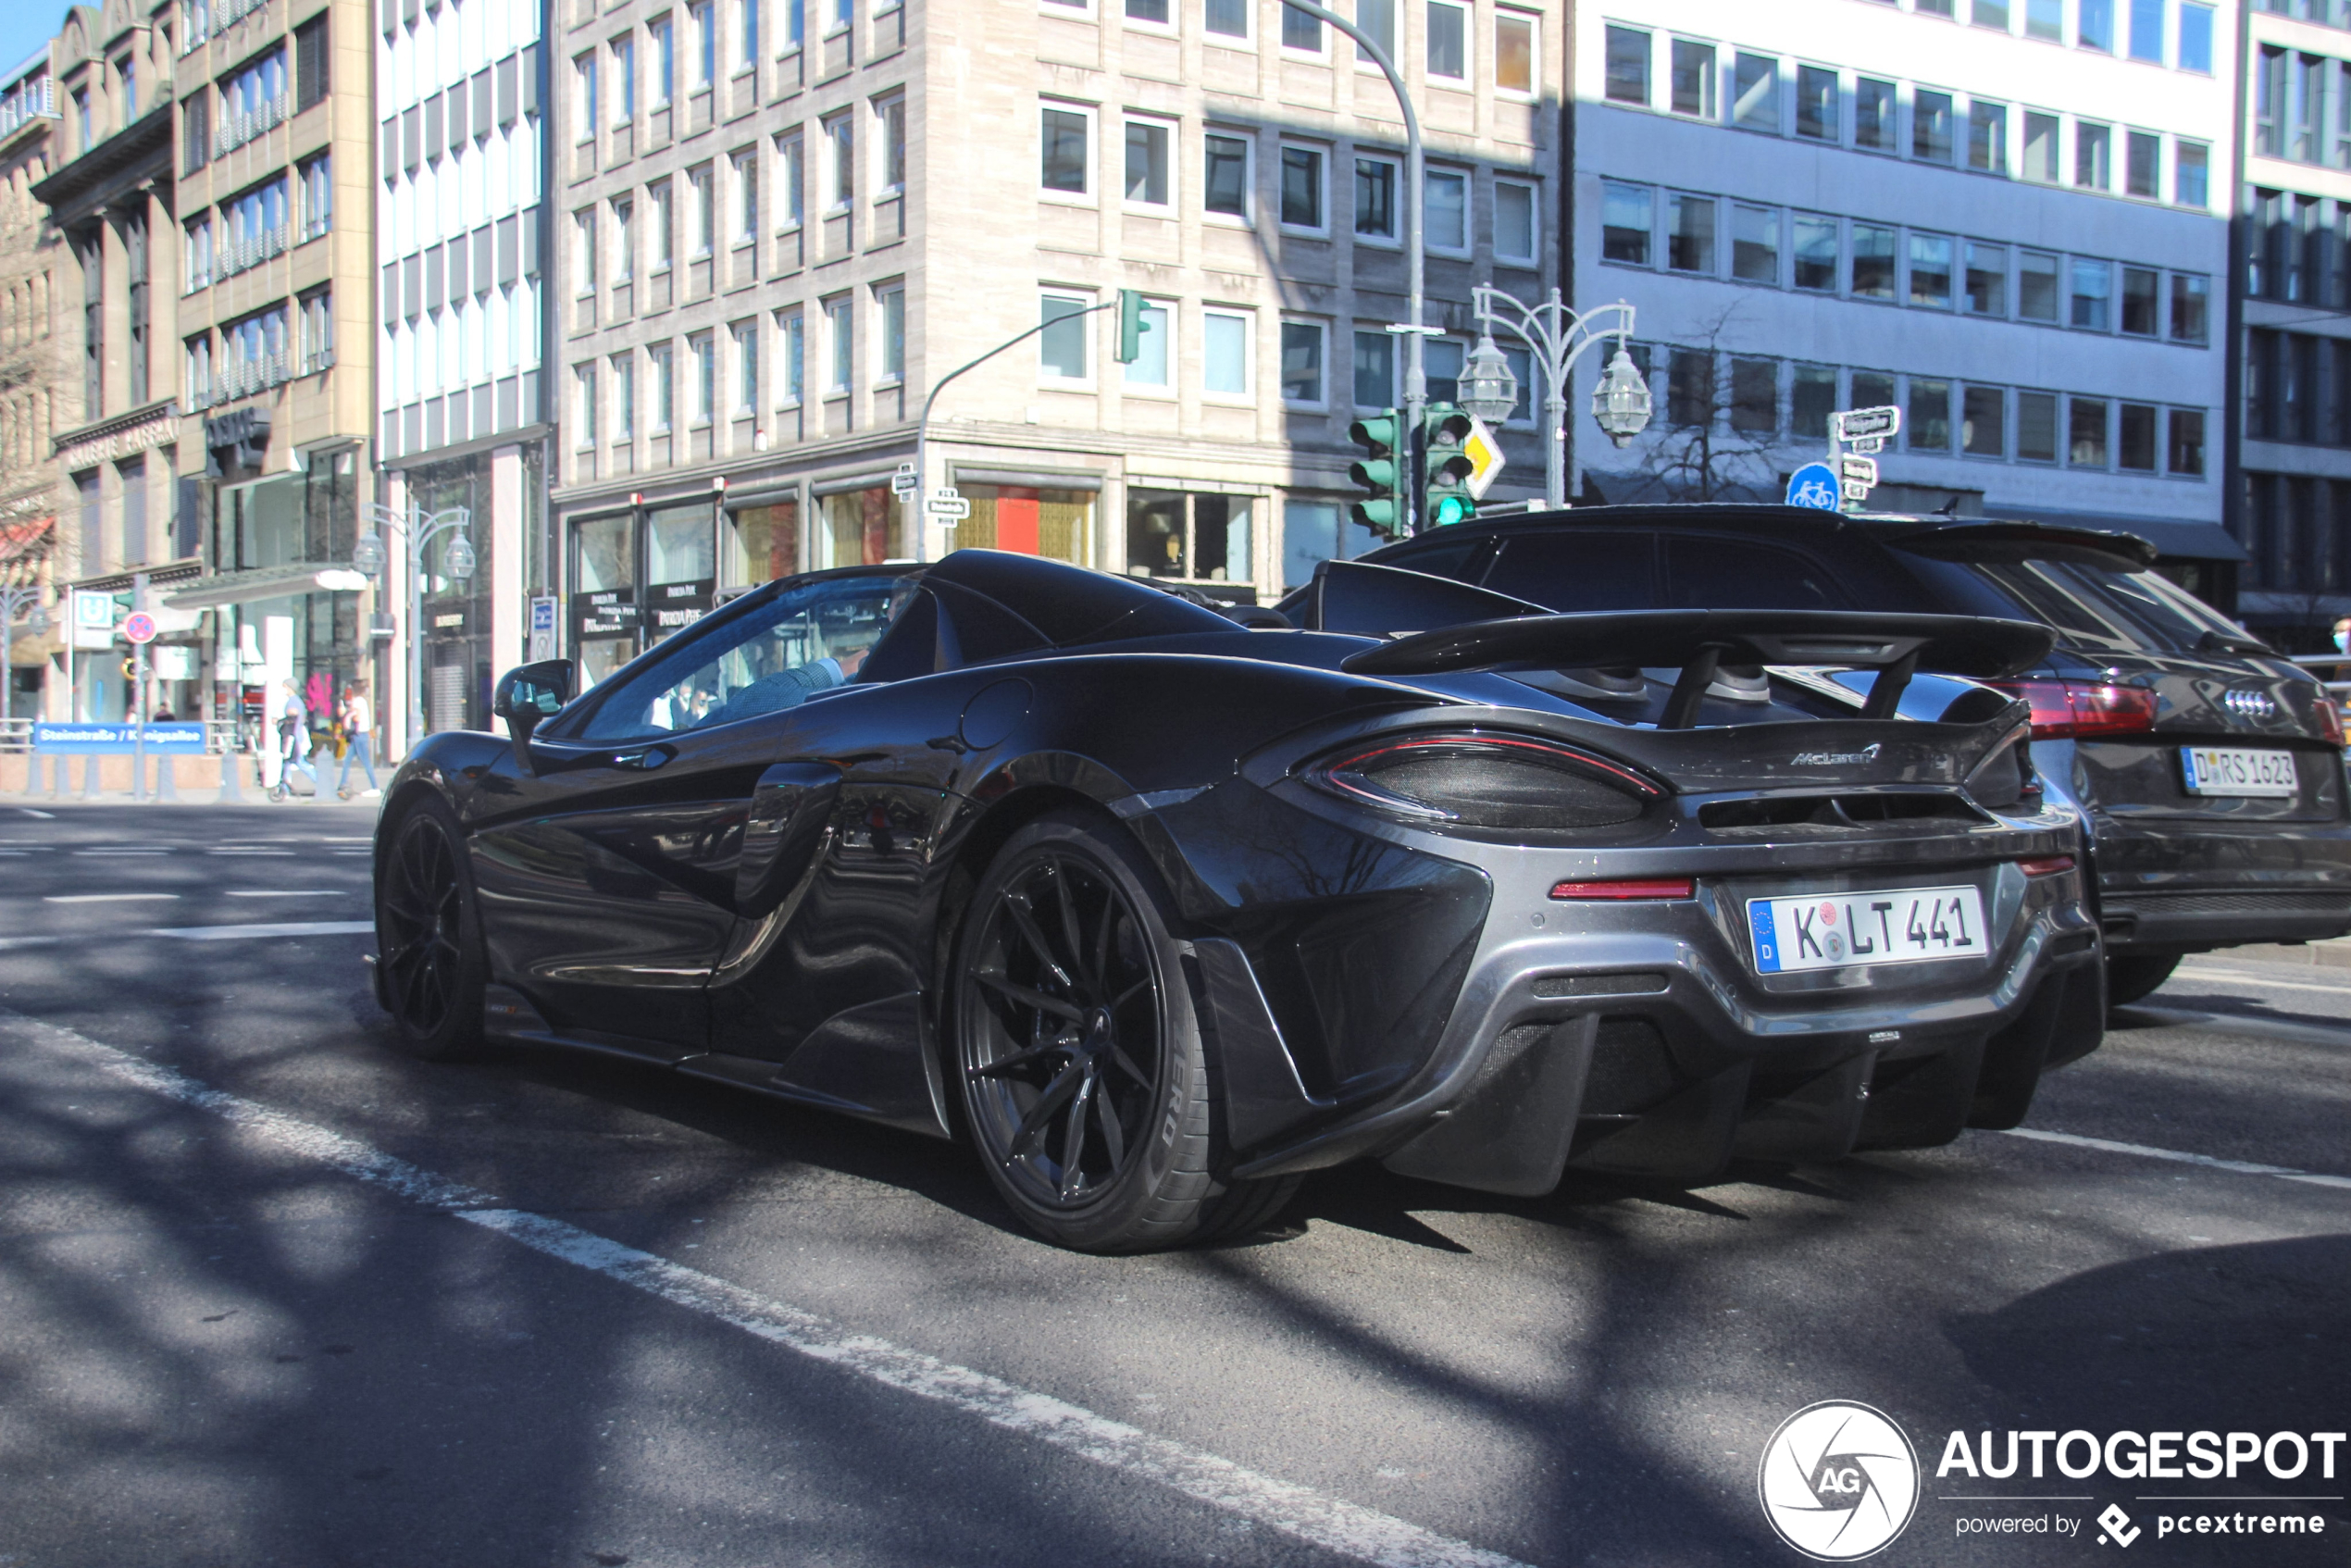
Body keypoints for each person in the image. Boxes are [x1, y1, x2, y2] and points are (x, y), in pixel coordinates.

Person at [337, 680, 379, 799]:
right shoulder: (362, 701)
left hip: (359, 735)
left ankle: (375, 787)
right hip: (360, 735)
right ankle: (342, 784)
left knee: (366, 762)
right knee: (347, 761)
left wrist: (346, 715)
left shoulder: (357, 701)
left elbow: (357, 716)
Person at [277, 679, 317, 799]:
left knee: (299, 761)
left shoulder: (294, 701)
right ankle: (284, 788)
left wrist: (283, 718)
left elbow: (294, 713)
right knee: (288, 762)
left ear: (290, 687)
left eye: (284, 686)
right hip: (293, 735)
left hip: (294, 736)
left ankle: (321, 782)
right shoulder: (294, 700)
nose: (283, 689)